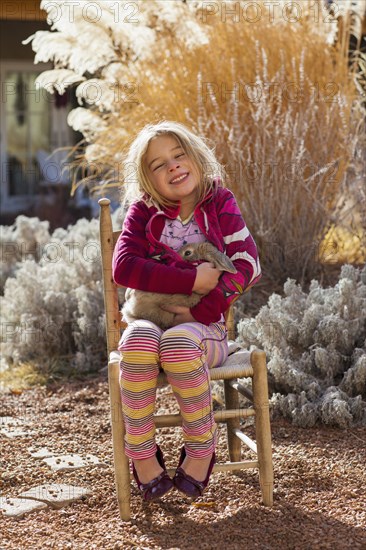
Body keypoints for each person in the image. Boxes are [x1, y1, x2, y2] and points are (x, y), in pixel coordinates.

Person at [112, 121, 261, 501]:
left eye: (178, 155)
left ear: (195, 156)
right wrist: (192, 281)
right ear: (147, 179)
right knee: (137, 340)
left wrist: (200, 309)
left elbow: (247, 264)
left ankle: (200, 447)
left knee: (178, 344)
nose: (173, 166)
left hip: (203, 331)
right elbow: (124, 266)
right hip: (149, 321)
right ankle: (142, 454)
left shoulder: (219, 202)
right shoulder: (144, 212)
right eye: (159, 164)